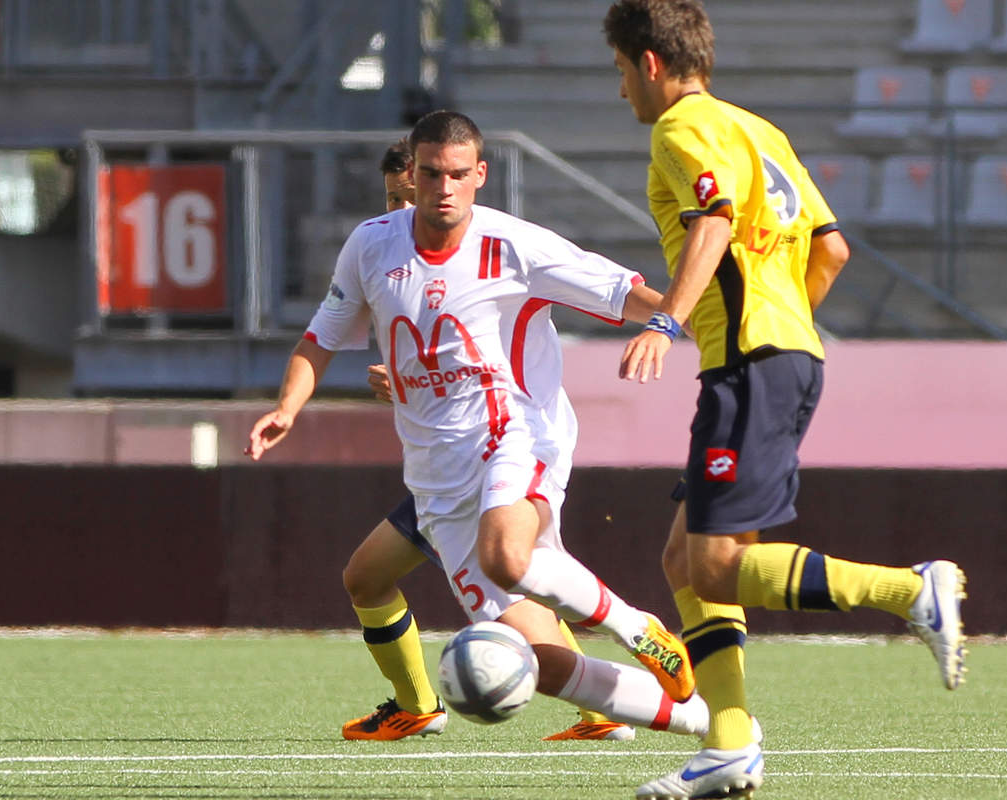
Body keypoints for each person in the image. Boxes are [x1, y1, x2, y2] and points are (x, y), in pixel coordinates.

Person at [247, 110, 709, 741]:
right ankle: (695, 722)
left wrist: (673, 329)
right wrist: (288, 407)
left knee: (508, 555)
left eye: (457, 174)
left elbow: (621, 290)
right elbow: (321, 337)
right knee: (541, 662)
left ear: (480, 176)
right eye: (431, 173)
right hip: (436, 476)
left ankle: (639, 630)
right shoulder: (371, 245)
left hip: (519, 432)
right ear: (413, 173)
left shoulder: (513, 244)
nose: (443, 187)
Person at [602, 2, 968, 797]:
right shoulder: (761, 130)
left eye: (622, 70)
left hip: (750, 361)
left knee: (717, 565)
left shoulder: (678, 131)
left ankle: (911, 592)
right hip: (784, 350)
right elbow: (832, 249)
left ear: (651, 64)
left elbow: (714, 222)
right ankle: (729, 741)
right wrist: (785, 326)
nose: (621, 89)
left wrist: (670, 320)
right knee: (685, 559)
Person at [340, 141, 637, 742]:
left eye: (409, 194)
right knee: (370, 578)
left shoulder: (500, 254)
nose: (404, 208)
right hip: (455, 456)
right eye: (392, 198)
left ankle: (624, 696)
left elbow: (606, 289)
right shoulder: (396, 256)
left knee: (507, 587)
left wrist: (673, 319)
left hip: (505, 447)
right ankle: (423, 706)